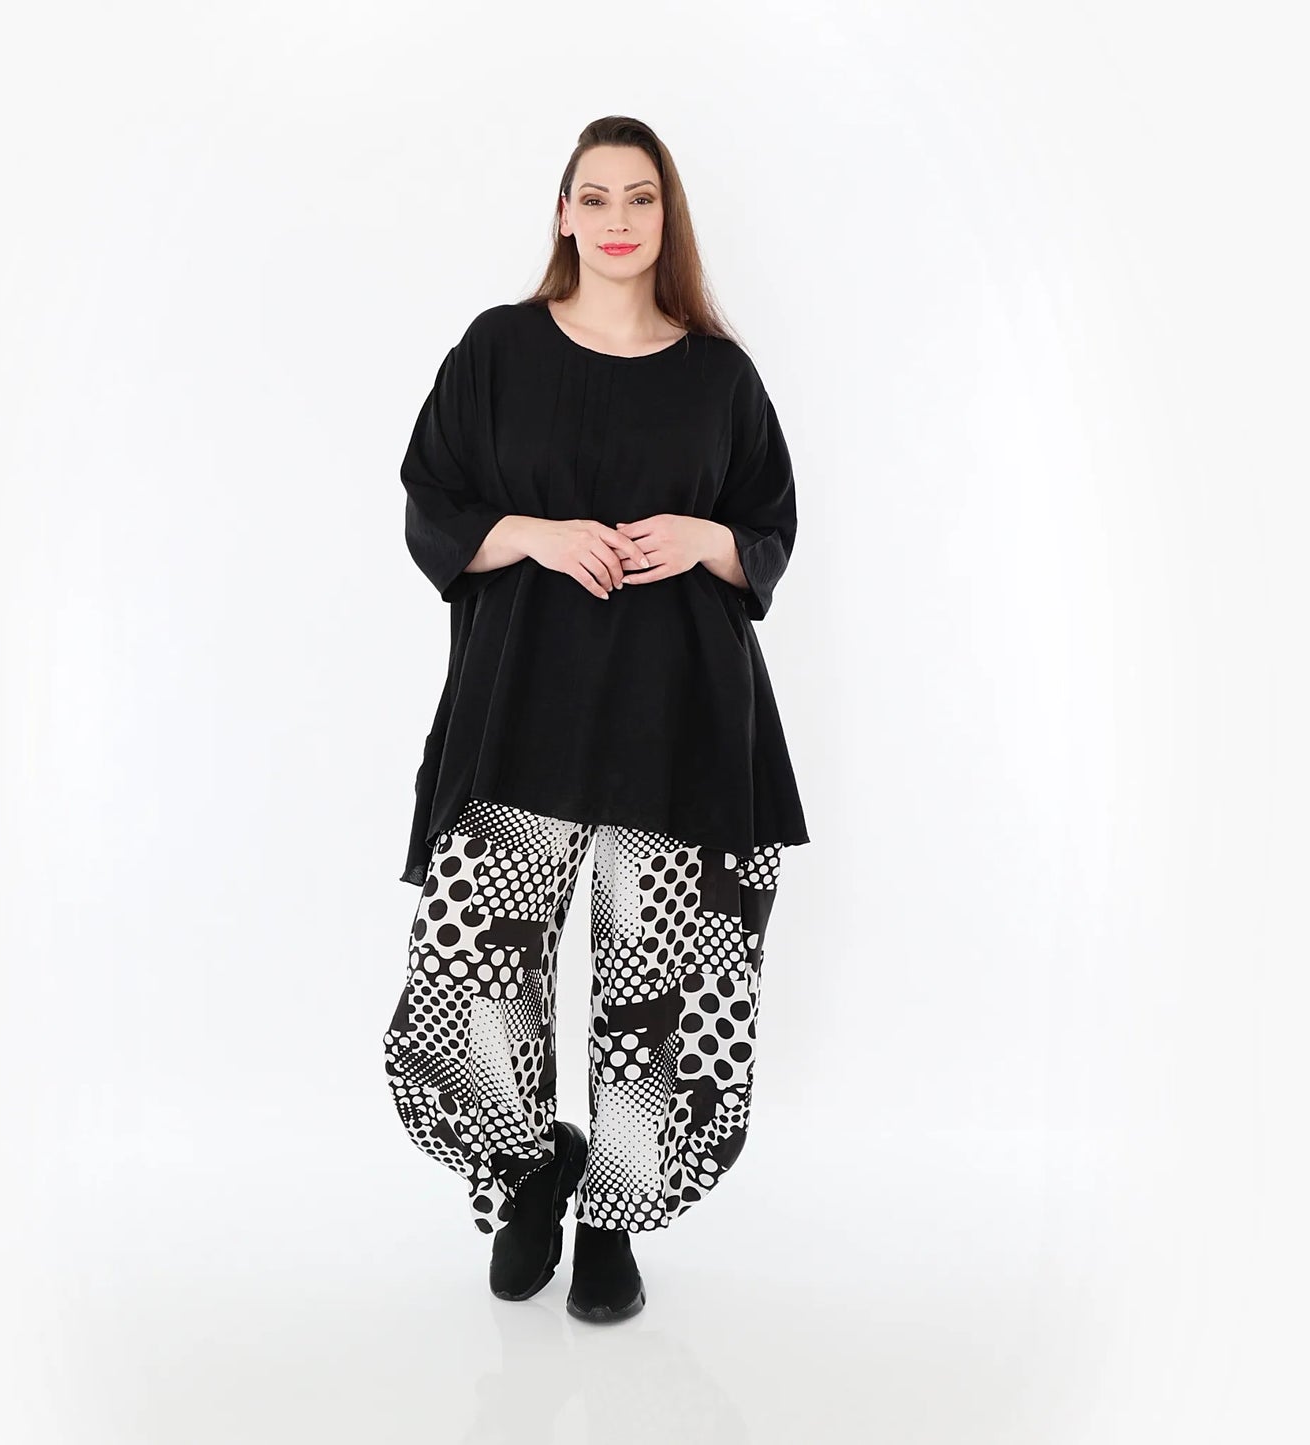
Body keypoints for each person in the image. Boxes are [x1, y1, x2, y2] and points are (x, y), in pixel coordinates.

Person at [381, 115, 810, 1324]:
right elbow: (429, 499)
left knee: (651, 992)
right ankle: (530, 1168)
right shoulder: (498, 350)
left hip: (674, 720)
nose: (617, 220)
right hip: (520, 712)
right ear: (562, 214)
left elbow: (769, 525)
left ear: (666, 219)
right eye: (595, 197)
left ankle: (614, 1215)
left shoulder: (719, 376)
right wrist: (534, 534)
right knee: (470, 975)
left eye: (640, 198)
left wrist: (707, 537)